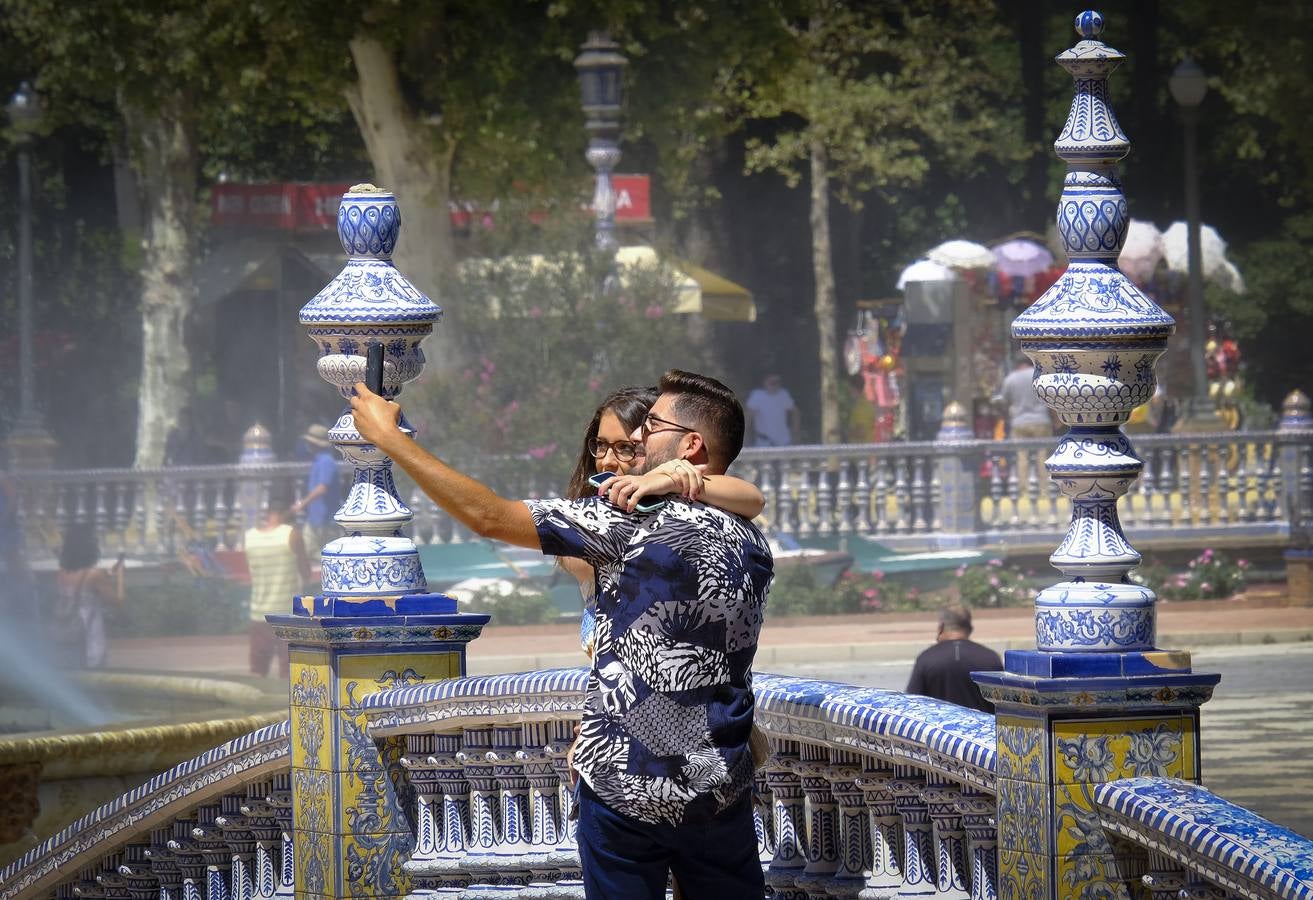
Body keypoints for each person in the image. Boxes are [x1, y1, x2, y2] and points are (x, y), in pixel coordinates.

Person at [351, 369, 772, 900]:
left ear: (691, 445)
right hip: (719, 789)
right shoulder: (752, 542)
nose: (640, 438)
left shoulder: (632, 524)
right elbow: (748, 497)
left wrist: (390, 440)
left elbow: (487, 516)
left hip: (628, 788)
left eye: (652, 426)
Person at [560, 385, 765, 658]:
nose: (607, 461)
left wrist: (673, 478)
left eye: (624, 448)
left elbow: (754, 498)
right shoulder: (602, 509)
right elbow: (575, 559)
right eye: (600, 445)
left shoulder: (676, 502)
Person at [244, 485, 311, 678]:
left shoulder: (250, 538)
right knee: (288, 671)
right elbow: (306, 573)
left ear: (267, 513)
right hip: (287, 615)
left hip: (259, 613)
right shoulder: (291, 534)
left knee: (257, 671)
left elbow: (251, 572)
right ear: (286, 513)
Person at [906, 603, 1003, 714]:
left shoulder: (926, 658)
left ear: (941, 627)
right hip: (982, 729)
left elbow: (912, 704)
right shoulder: (990, 658)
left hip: (938, 729)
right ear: (970, 629)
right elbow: (1004, 704)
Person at [53, 522, 124, 668]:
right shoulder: (94, 575)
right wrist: (121, 576)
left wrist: (105, 576)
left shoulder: (61, 573)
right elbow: (116, 601)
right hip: (88, 636)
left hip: (67, 633)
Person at [291, 423, 343, 553]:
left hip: (326, 520)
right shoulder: (318, 461)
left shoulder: (326, 461)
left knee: (325, 554)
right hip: (316, 517)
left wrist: (302, 504)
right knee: (308, 550)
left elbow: (322, 488)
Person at [745, 373, 799, 447]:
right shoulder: (757, 396)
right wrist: (746, 438)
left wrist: (795, 432)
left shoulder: (784, 395)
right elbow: (748, 418)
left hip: (783, 442)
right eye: (771, 382)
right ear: (765, 382)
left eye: (776, 382)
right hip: (763, 442)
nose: (774, 385)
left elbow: (795, 412)